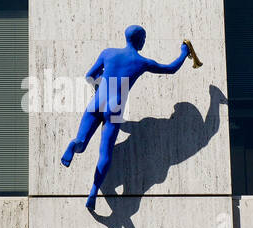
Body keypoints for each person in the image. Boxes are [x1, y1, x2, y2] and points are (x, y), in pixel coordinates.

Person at [61, 25, 190, 209]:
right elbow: (170, 69)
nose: (144, 42)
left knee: (81, 141)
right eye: (144, 38)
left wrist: (100, 86)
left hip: (97, 102)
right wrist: (184, 53)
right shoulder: (141, 62)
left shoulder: (108, 53)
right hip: (115, 107)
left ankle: (74, 145)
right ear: (139, 40)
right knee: (105, 153)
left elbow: (89, 76)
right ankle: (93, 191)